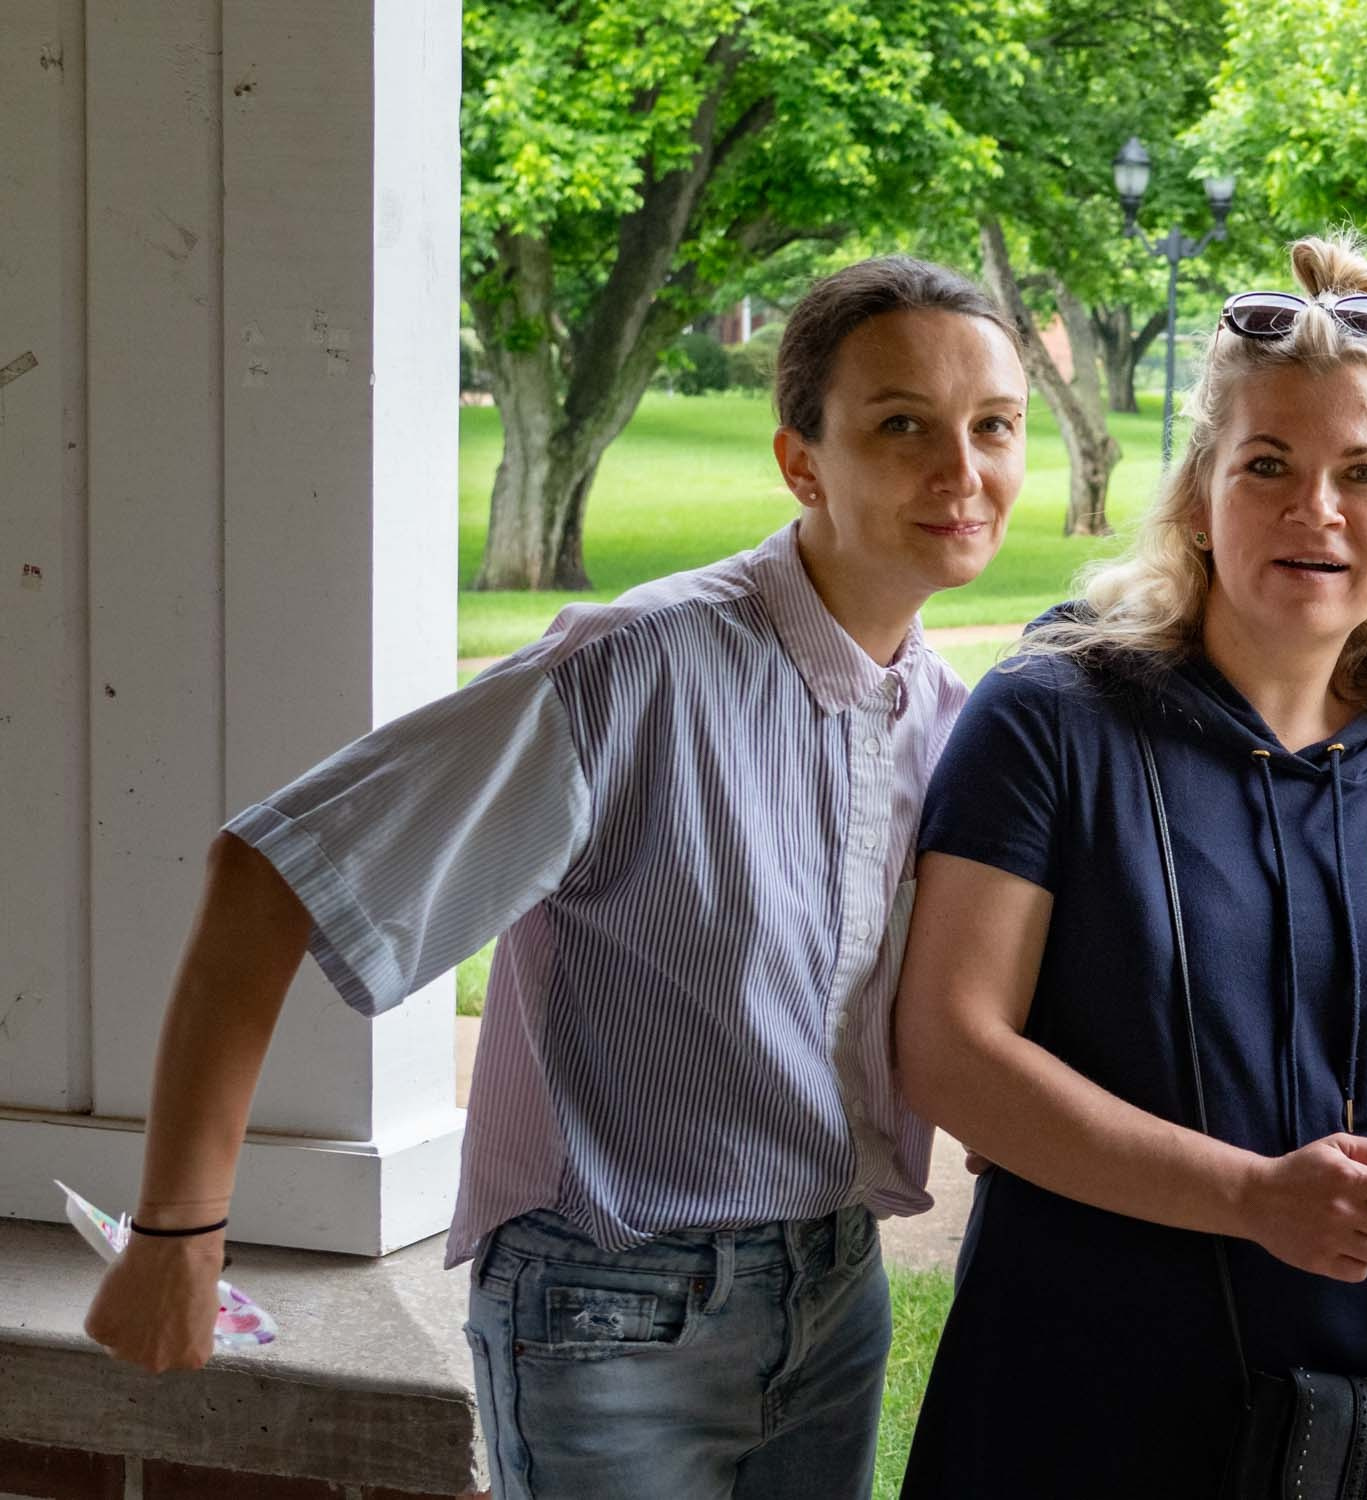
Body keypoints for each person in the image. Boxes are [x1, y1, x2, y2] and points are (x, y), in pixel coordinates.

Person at [81, 256, 1030, 1500]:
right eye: (901, 424)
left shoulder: (944, 718)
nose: (961, 472)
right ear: (803, 460)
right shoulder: (632, 669)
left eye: (993, 427)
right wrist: (177, 1233)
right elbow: (271, 873)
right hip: (612, 1312)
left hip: (837, 1292)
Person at [891, 238, 1367, 1497]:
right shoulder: (1052, 718)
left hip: (1344, 1426)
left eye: (1363, 474)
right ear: (1201, 491)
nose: (1318, 510)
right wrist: (1254, 1197)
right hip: (1069, 1395)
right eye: (1269, 465)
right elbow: (947, 1049)